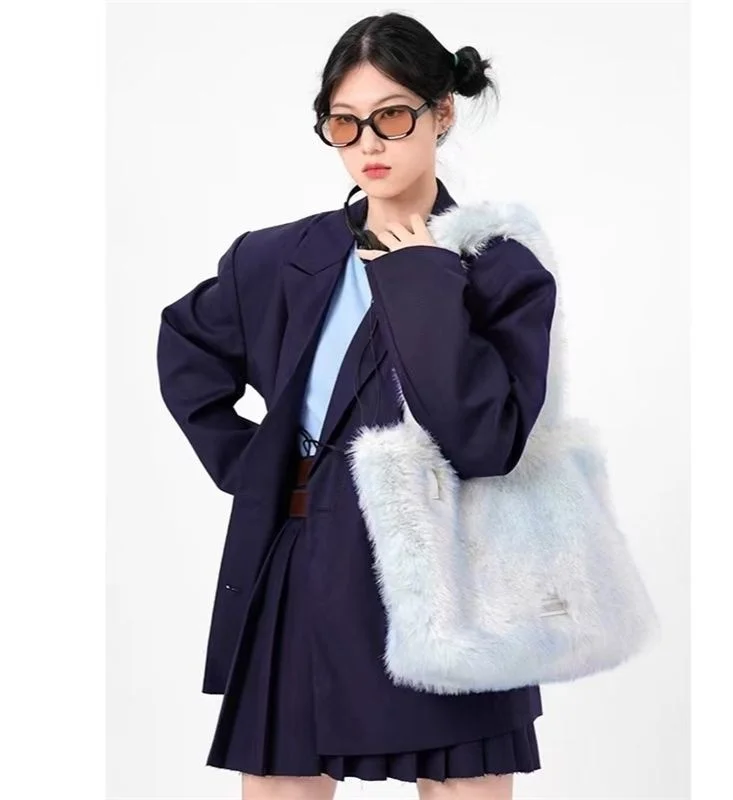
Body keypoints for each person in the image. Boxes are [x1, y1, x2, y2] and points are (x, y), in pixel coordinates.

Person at [156, 10, 557, 800]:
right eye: (345, 122)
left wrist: (423, 280)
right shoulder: (276, 257)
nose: (369, 143)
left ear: (442, 114)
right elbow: (187, 346)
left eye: (393, 116)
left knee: (465, 786)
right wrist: (255, 466)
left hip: (453, 570)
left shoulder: (498, 268)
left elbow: (487, 442)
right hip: (304, 559)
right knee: (281, 785)